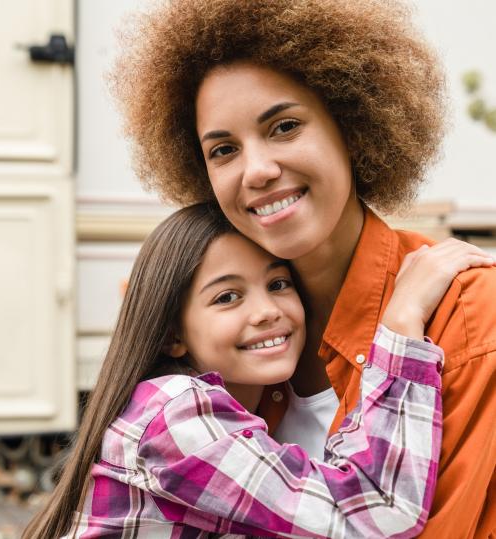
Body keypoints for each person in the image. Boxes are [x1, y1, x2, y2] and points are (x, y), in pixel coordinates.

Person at [107, 0, 496, 537]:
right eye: (223, 150)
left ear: (352, 123)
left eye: (285, 126)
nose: (258, 171)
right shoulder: (236, 360)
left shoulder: (471, 314)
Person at [22, 203, 493, 538]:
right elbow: (379, 513)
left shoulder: (243, 411)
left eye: (277, 282)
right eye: (228, 296)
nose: (267, 310)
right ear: (172, 336)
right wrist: (402, 324)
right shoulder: (175, 416)